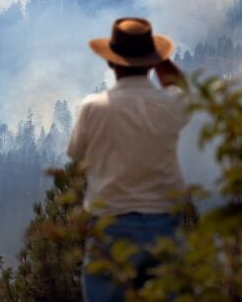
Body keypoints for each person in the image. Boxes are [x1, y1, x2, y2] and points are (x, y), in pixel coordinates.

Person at [67, 17, 189, 301]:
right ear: (150, 63)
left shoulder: (92, 109)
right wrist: (161, 60)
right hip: (164, 227)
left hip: (111, 228)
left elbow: (77, 156)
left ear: (111, 62)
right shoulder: (170, 104)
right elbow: (182, 89)